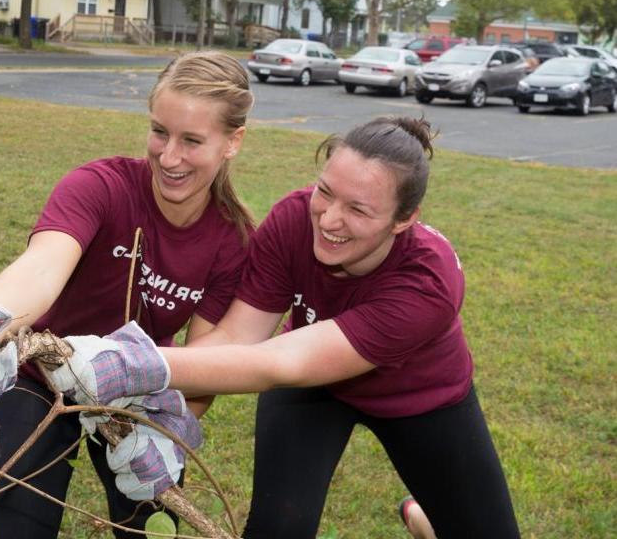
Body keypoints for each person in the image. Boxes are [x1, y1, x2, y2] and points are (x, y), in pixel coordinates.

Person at [48, 117, 521, 538]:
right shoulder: (294, 219)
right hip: (314, 391)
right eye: (326, 192)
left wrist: (129, 363)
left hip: (420, 398)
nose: (329, 220)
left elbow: (284, 361)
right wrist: (160, 414)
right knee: (280, 528)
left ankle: (423, 518)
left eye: (358, 210)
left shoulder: (429, 281)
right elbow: (237, 338)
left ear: (405, 219)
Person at [0, 51, 257, 538]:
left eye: (192, 141)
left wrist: (172, 427)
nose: (169, 157)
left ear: (233, 141)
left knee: (149, 527)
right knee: (21, 522)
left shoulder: (232, 241)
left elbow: (204, 360)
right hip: (38, 374)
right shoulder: (100, 186)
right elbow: (42, 264)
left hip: (136, 396)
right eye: (159, 132)